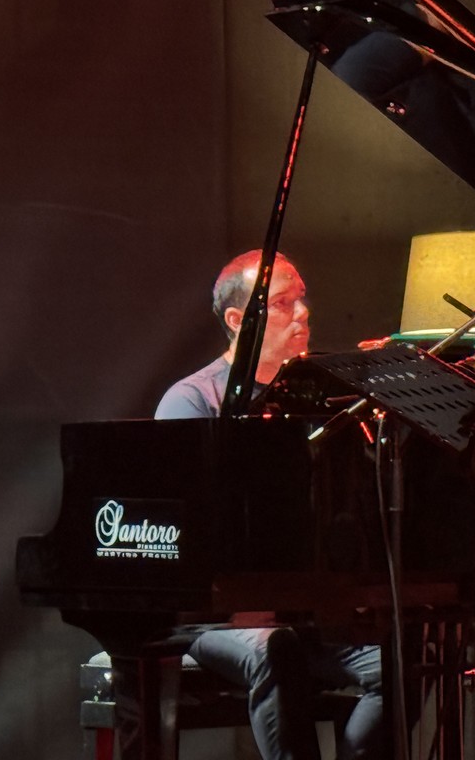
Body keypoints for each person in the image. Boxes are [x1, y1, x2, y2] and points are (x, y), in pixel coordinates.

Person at [156, 250, 384, 760]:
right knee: (276, 647)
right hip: (215, 616)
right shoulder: (192, 400)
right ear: (238, 320)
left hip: (306, 607)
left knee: (399, 662)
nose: (303, 312)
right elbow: (182, 531)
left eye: (301, 299)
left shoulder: (324, 398)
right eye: (283, 303)